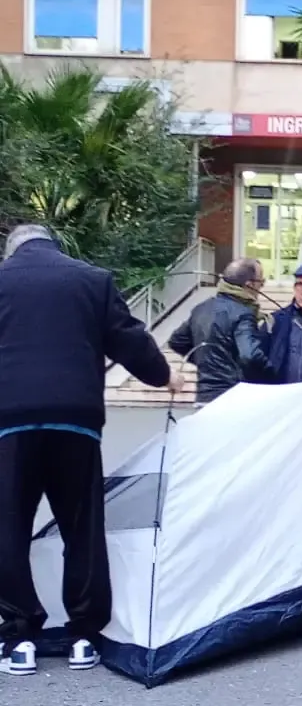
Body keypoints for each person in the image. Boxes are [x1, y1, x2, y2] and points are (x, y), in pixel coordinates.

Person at [0, 224, 182, 677]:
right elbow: (129, 339)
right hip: (75, 421)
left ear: (12, 249)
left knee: (8, 529)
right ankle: (84, 634)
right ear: (54, 245)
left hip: (10, 422)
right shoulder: (91, 280)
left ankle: (19, 636)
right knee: (82, 529)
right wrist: (163, 376)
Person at [168, 257, 274, 405]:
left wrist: (207, 361)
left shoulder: (201, 308)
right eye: (261, 282)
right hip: (233, 400)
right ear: (249, 285)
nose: (262, 287)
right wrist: (273, 376)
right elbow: (249, 356)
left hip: (203, 398)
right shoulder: (243, 313)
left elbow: (177, 341)